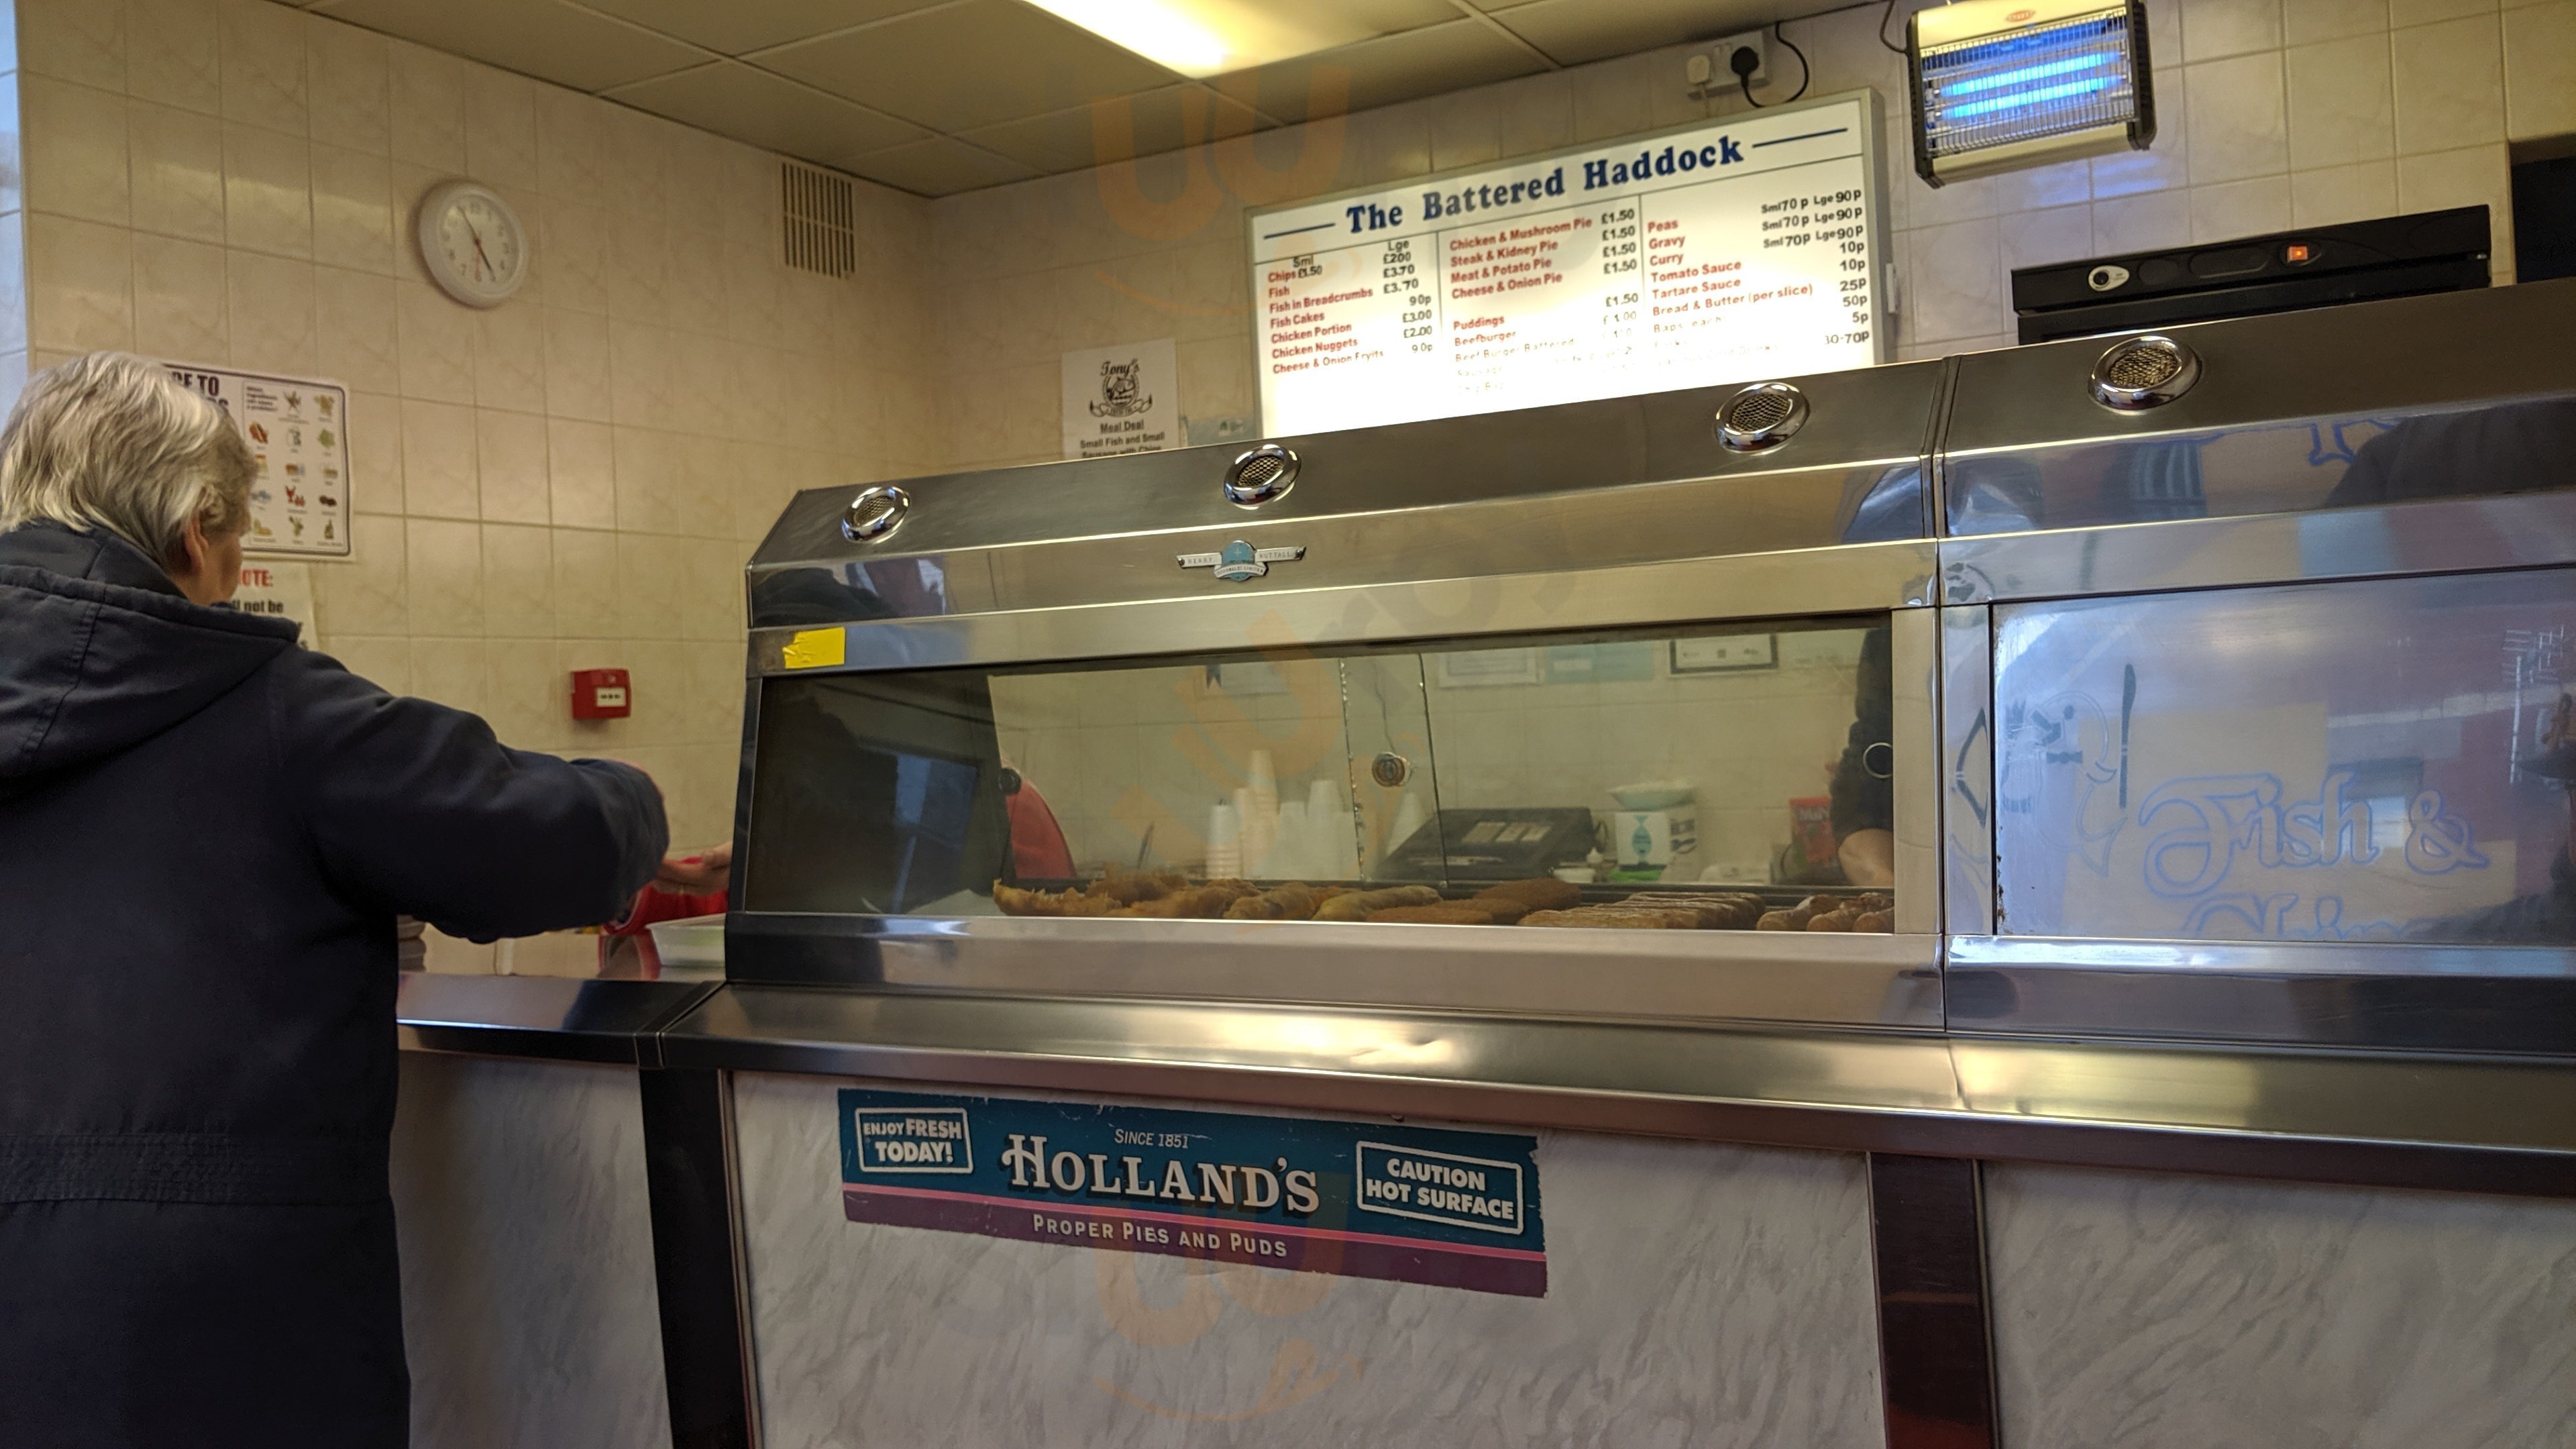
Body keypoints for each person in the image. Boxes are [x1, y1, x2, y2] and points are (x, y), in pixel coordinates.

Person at [0, 354, 669, 1446]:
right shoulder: (263, 705)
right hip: (216, 1316)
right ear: (194, 530)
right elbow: (551, 843)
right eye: (236, 546)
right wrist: (632, 797)